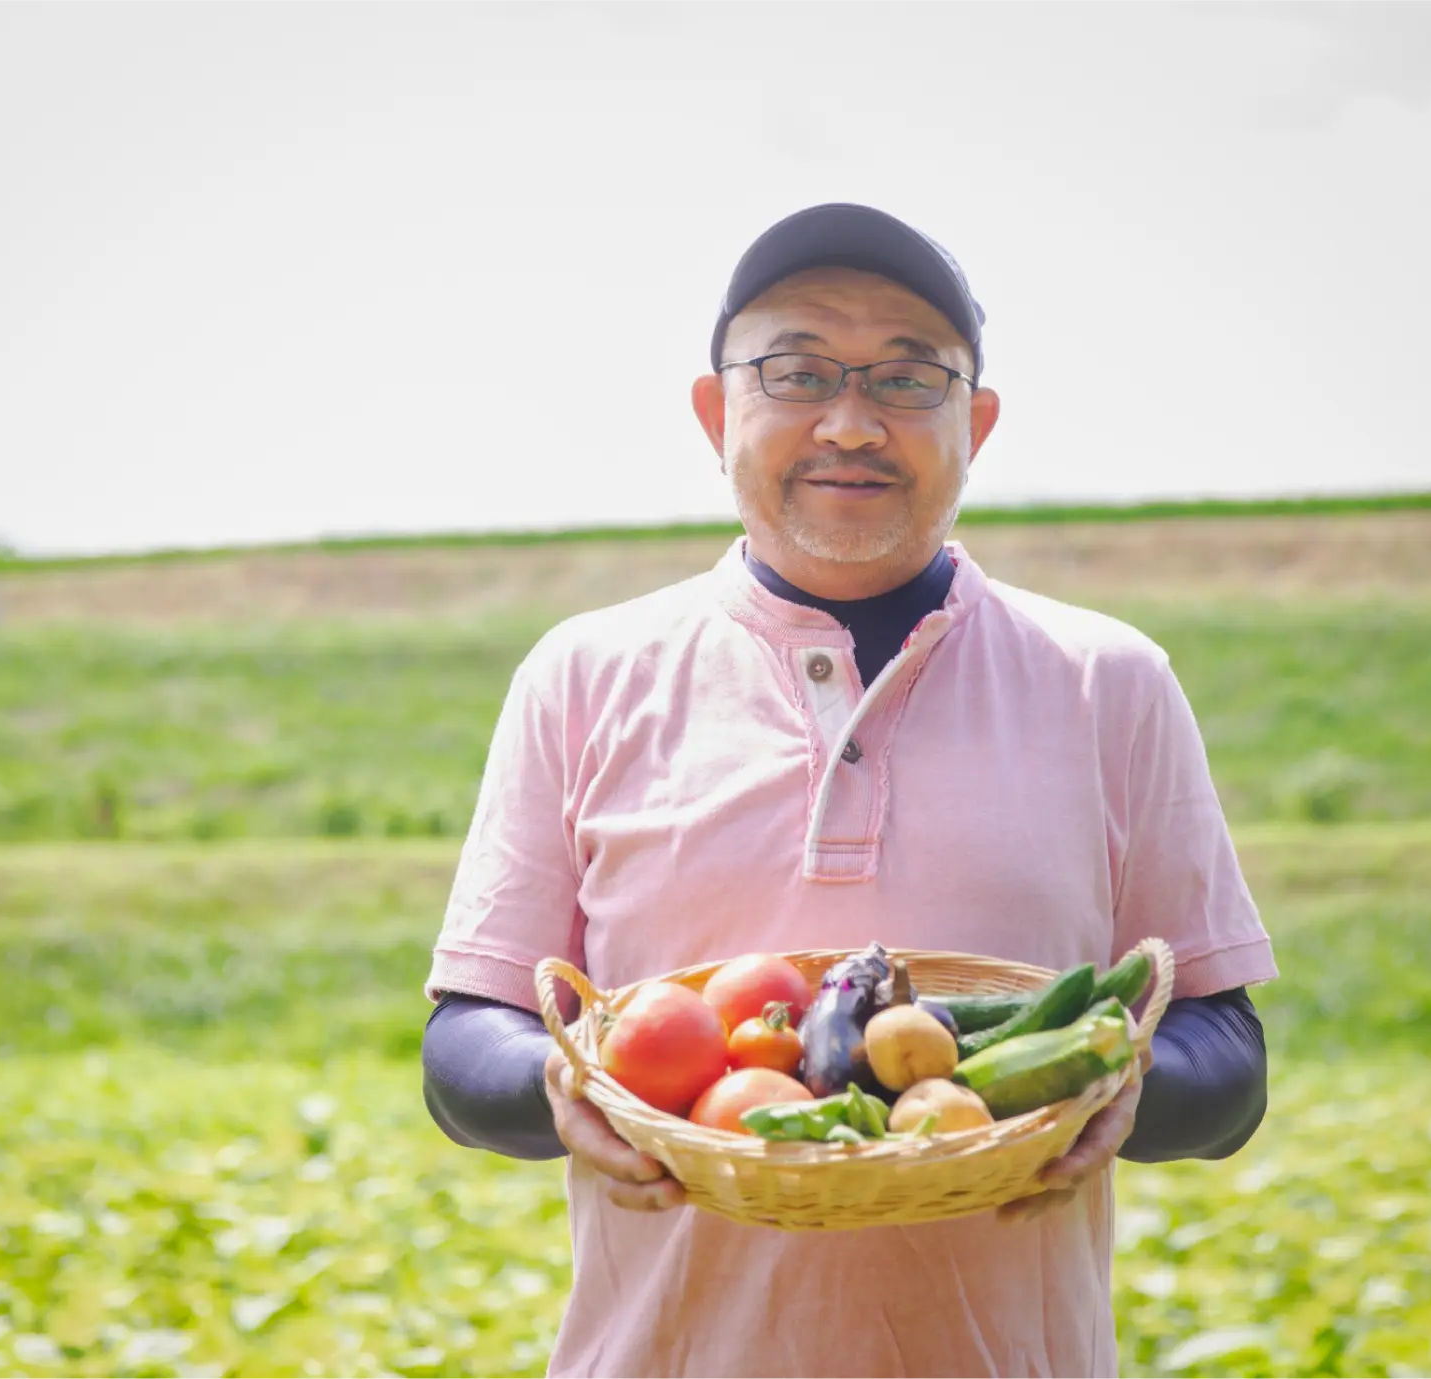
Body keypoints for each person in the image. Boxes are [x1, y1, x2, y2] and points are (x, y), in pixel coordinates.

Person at [422, 202, 1278, 1378]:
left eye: (907, 378)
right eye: (798, 370)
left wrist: (1115, 1080)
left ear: (975, 423)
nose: (849, 421)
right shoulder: (583, 674)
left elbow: (1226, 1055)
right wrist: (565, 1085)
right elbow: (465, 1041)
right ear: (715, 412)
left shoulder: (1107, 681)